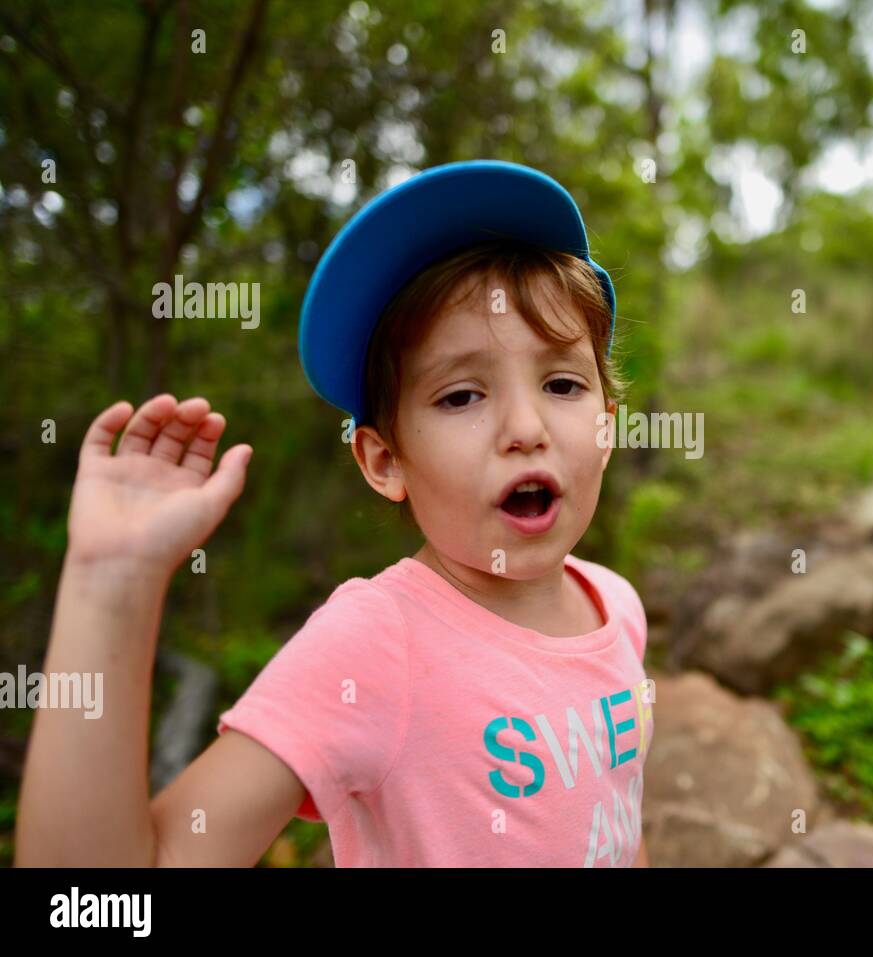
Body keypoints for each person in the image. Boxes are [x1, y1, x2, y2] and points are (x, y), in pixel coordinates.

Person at [16, 160, 654, 868]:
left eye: (562, 382)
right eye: (460, 396)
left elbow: (618, 826)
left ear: (607, 428)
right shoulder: (378, 643)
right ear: (385, 462)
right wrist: (113, 583)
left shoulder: (618, 609)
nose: (524, 426)